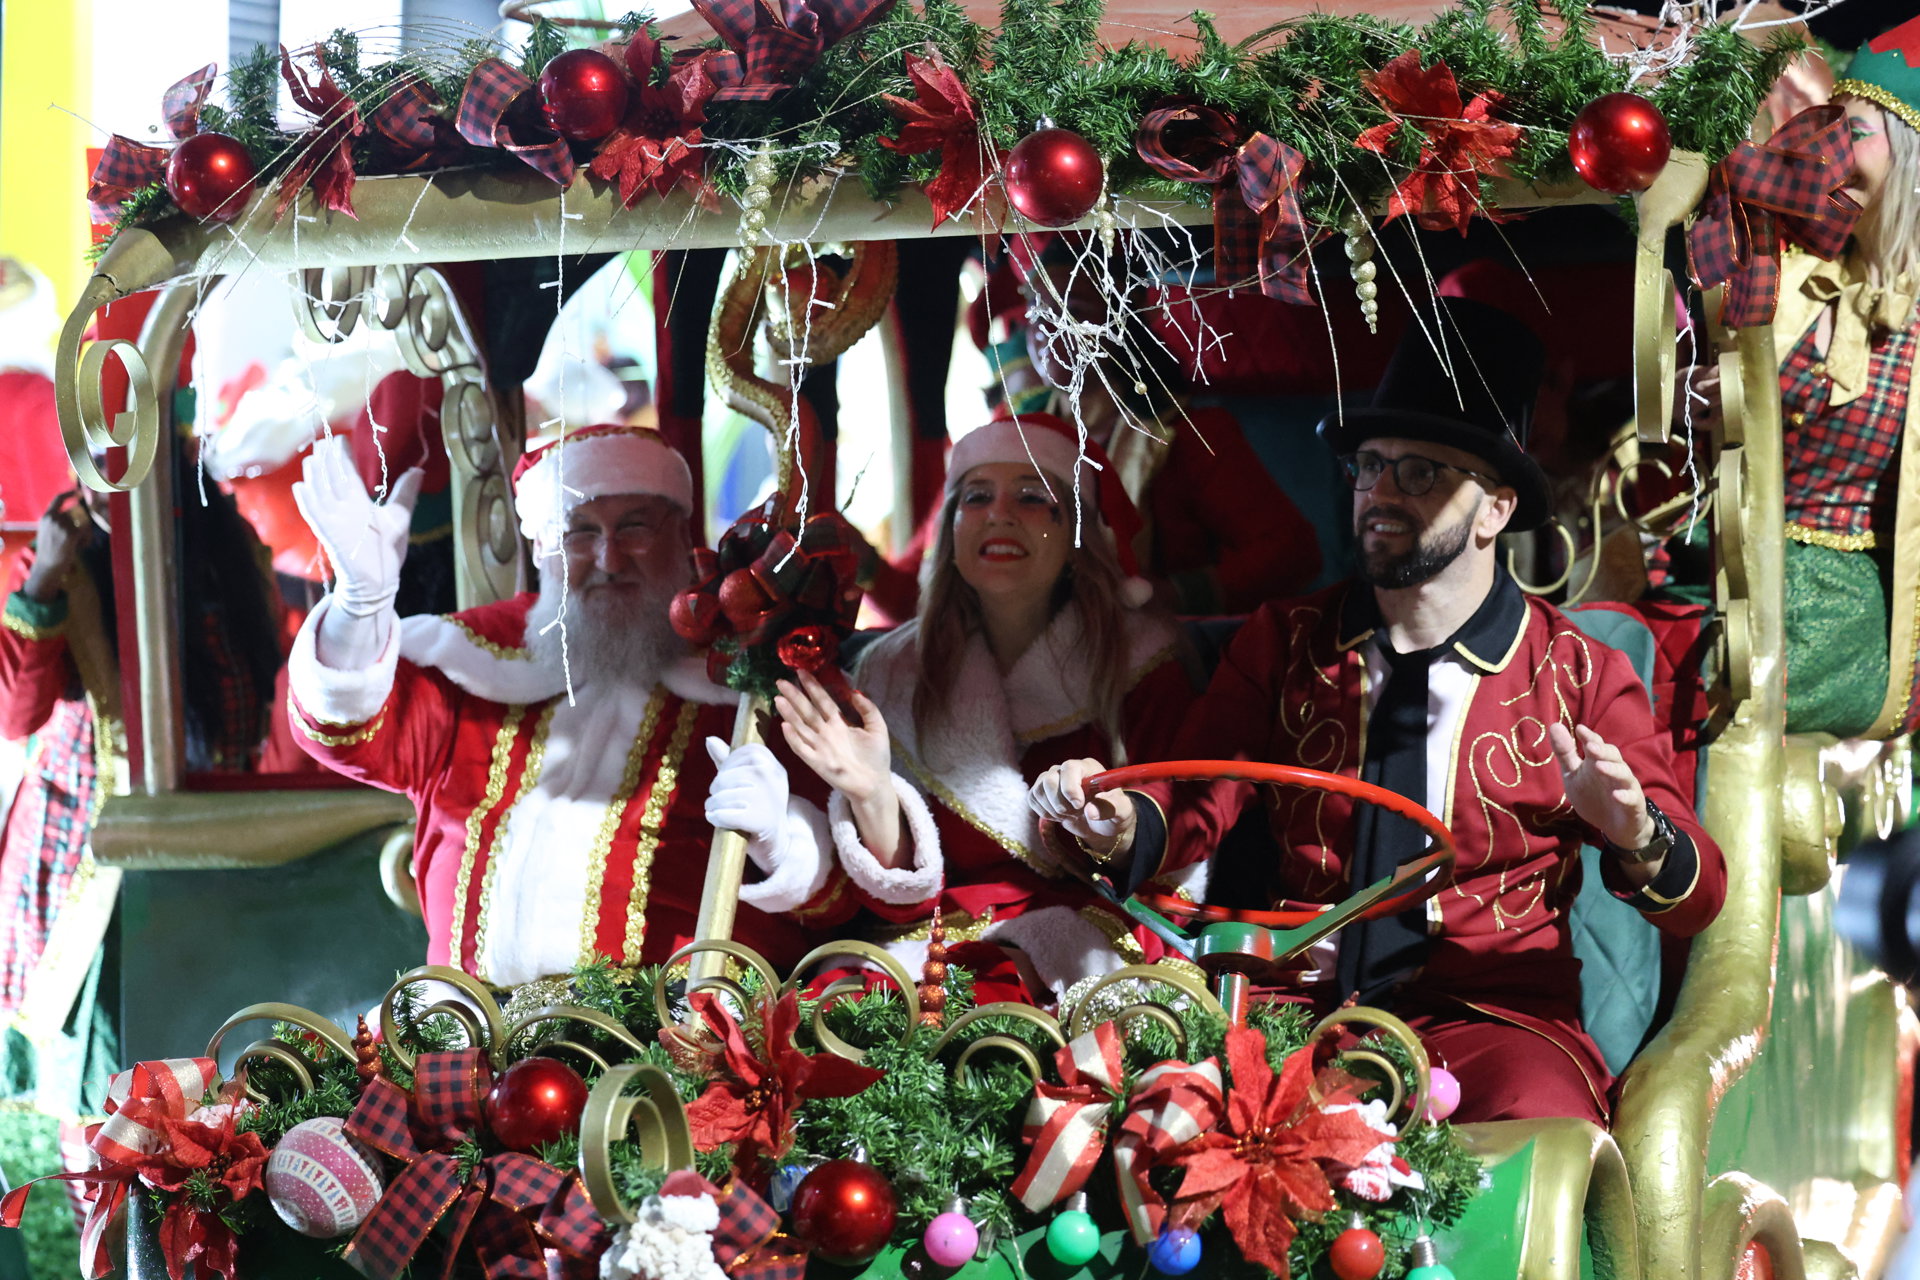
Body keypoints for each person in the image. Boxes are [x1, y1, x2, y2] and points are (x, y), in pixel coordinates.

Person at [1028, 300, 1727, 1124]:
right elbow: (1190, 803)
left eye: (1422, 472)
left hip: (1493, 1022)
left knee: (1546, 1135)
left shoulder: (1580, 674)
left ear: (1496, 509)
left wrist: (1637, 833)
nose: (1381, 493)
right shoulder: (1284, 641)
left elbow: (1700, 895)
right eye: (1370, 465)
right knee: (1161, 1120)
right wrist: (1114, 822)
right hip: (1294, 1013)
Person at [286, 425, 851, 989]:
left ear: (681, 537)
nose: (608, 557)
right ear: (541, 549)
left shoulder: (754, 682)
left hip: (671, 1026)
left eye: (635, 527)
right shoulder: (473, 663)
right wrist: (359, 608)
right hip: (464, 1022)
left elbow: (846, 898)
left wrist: (784, 840)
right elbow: (346, 735)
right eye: (578, 532)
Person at [776, 411, 1203, 1005]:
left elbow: (1177, 853)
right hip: (925, 945)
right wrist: (872, 795)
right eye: (976, 497)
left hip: (1082, 950)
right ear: (950, 531)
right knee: (830, 1009)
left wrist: (1111, 825)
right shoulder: (889, 670)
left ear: (1077, 535)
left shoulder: (1145, 663)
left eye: (1032, 497)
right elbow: (899, 898)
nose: (999, 514)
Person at [1723, 14, 1920, 738]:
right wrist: (1705, 405)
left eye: (1855, 134)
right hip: (1723, 575)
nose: (1830, 153)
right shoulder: (1789, 272)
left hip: (1844, 617)